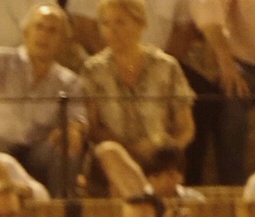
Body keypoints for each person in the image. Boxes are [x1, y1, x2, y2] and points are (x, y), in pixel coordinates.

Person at [0, 4, 87, 198]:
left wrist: (74, 130)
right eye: (39, 27)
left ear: (63, 42)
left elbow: (78, 117)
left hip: (38, 150)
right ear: (26, 33)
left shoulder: (68, 81)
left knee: (66, 146)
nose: (44, 35)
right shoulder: (2, 59)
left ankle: (61, 212)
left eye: (52, 31)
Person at [81, 0, 195, 198]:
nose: (112, 30)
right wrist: (128, 150)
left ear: (140, 24)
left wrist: (163, 150)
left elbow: (186, 128)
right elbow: (92, 128)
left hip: (157, 159)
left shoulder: (166, 67)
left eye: (120, 23)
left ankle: (144, 203)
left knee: (162, 171)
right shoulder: (93, 70)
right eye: (105, 23)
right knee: (110, 153)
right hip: (112, 158)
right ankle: (150, 203)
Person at [183, 0, 255, 186]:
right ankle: (234, 186)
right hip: (243, 64)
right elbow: (209, 11)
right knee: (232, 97)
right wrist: (226, 62)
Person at [69, 0, 192, 54]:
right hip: (105, 74)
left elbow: (183, 31)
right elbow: (84, 29)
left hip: (160, 77)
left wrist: (159, 67)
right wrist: (114, 64)